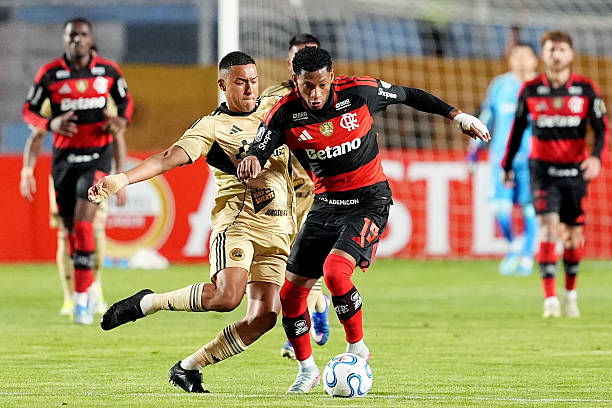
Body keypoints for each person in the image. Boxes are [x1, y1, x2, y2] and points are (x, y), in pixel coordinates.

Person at [237, 46, 490, 393]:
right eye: (307, 86)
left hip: (369, 201)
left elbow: (409, 94)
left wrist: (457, 116)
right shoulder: (284, 112)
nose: (315, 93)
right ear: (295, 81)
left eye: (321, 85)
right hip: (326, 204)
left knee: (335, 272)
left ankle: (357, 347)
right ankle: (306, 370)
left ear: (332, 77)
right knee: (291, 295)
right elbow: (260, 146)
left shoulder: (360, 92)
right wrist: (252, 158)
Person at [88, 51, 294, 393]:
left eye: (253, 81)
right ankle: (149, 302)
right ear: (223, 85)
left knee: (264, 318)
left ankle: (189, 367)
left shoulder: (275, 107)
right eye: (240, 82)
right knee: (227, 297)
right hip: (238, 224)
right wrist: (122, 179)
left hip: (279, 229)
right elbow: (168, 157)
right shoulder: (211, 126)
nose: (249, 89)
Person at [21, 17, 133, 324]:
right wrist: (49, 127)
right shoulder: (51, 75)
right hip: (63, 164)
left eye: (83, 34)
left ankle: (87, 294)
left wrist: (120, 172)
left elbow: (124, 110)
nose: (77, 40)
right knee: (69, 231)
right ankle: (74, 294)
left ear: (91, 38)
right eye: (72, 35)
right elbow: (30, 116)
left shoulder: (108, 73)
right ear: (65, 39)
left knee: (88, 226)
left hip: (97, 161)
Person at [502, 30, 609, 318]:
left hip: (575, 172)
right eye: (551, 50)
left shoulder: (586, 89)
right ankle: (550, 299)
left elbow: (602, 129)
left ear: (570, 54)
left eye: (562, 50)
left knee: (573, 237)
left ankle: (570, 293)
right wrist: (507, 165)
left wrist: (596, 158)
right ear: (543, 54)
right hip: (542, 171)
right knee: (548, 229)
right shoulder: (531, 89)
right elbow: (517, 131)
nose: (556, 55)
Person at [261, 33, 331, 359]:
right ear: (289, 63)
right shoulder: (272, 97)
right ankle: (319, 307)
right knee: (286, 267)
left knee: (304, 264)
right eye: (298, 57)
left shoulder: (333, 96)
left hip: (318, 191)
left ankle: (297, 334)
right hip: (280, 193)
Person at [467, 43, 539, 276]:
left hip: (532, 159)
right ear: (510, 59)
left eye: (525, 56)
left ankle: (527, 258)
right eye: (516, 55)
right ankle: (515, 246)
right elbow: (486, 118)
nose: (520, 60)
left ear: (535, 60)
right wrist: (474, 151)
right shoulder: (499, 85)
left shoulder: (541, 88)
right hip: (501, 158)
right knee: (500, 209)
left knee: (530, 208)